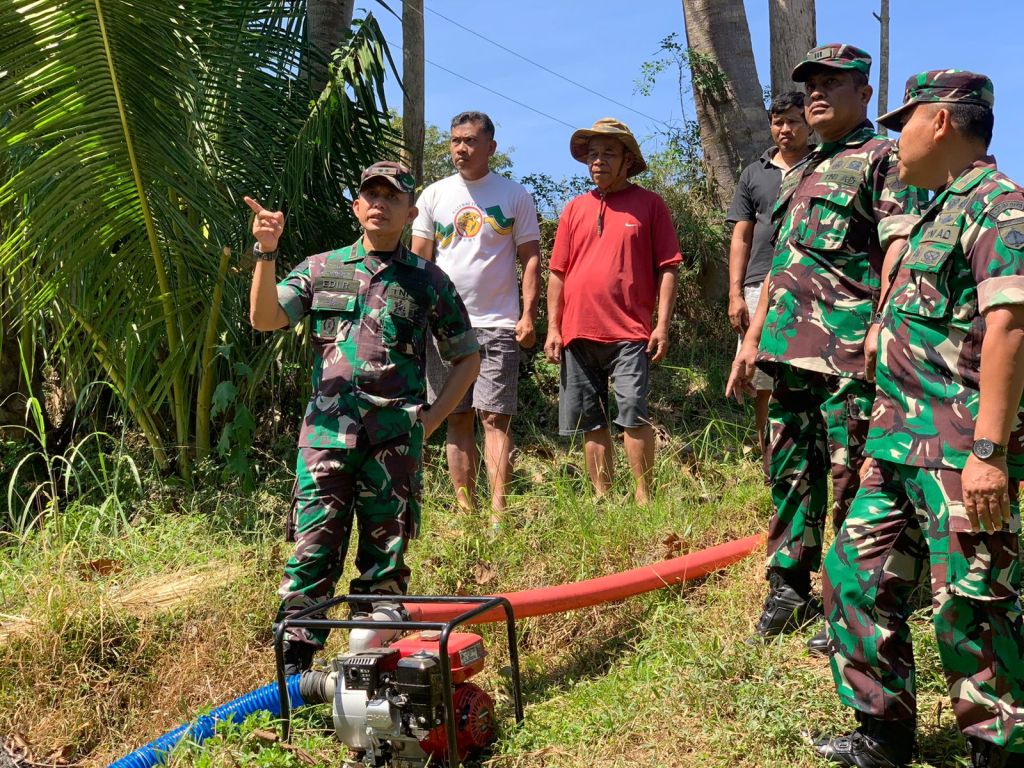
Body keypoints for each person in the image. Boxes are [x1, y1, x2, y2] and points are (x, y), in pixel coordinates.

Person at [814, 70, 1024, 768]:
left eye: (903, 121)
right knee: (853, 578)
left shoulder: (996, 206)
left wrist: (989, 450)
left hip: (960, 454)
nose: (892, 135)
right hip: (897, 448)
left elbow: (1011, 329)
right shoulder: (935, 210)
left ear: (938, 121)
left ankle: (997, 749)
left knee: (973, 609)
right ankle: (883, 733)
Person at [726, 44, 925, 654]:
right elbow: (783, 263)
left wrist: (879, 329)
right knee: (789, 471)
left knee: (850, 476)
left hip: (847, 356)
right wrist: (750, 342)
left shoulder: (883, 158)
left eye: (832, 83)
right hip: (789, 353)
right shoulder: (804, 168)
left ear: (864, 95)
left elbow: (900, 249)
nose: (816, 92)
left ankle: (850, 598)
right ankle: (788, 586)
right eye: (810, 82)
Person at [246, 162, 481, 674]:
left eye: (391, 197)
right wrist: (267, 251)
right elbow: (265, 317)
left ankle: (372, 677)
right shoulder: (325, 267)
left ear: (411, 212)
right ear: (356, 208)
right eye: (369, 195)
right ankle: (294, 678)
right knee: (311, 554)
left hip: (395, 442)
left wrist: (433, 419)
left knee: (385, 569)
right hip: (327, 437)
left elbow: (468, 355)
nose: (379, 203)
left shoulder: (425, 280)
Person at [410, 111, 541, 527]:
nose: (460, 149)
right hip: (445, 326)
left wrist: (528, 315)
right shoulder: (433, 195)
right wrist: (416, 316)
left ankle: (499, 514)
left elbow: (531, 259)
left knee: (495, 416)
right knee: (456, 416)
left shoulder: (514, 195)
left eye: (469, 141)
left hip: (499, 323)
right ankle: (467, 511)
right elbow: (419, 260)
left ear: (491, 147)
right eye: (454, 141)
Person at [544, 118, 681, 505]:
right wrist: (553, 328)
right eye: (592, 155)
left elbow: (668, 267)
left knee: (633, 414)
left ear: (628, 160)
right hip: (577, 332)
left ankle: (644, 497)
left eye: (608, 153)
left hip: (630, 332)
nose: (598, 161)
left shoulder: (650, 205)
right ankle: (603, 498)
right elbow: (558, 272)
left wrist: (662, 325)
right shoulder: (574, 209)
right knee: (589, 420)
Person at [726, 91, 812, 455]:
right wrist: (734, 292)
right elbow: (741, 235)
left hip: (809, 281)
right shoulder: (754, 173)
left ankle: (809, 455)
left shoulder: (822, 166)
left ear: (809, 124)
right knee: (762, 377)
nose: (785, 129)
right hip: (758, 282)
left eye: (793, 121)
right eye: (778, 122)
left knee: (805, 372)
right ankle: (770, 461)